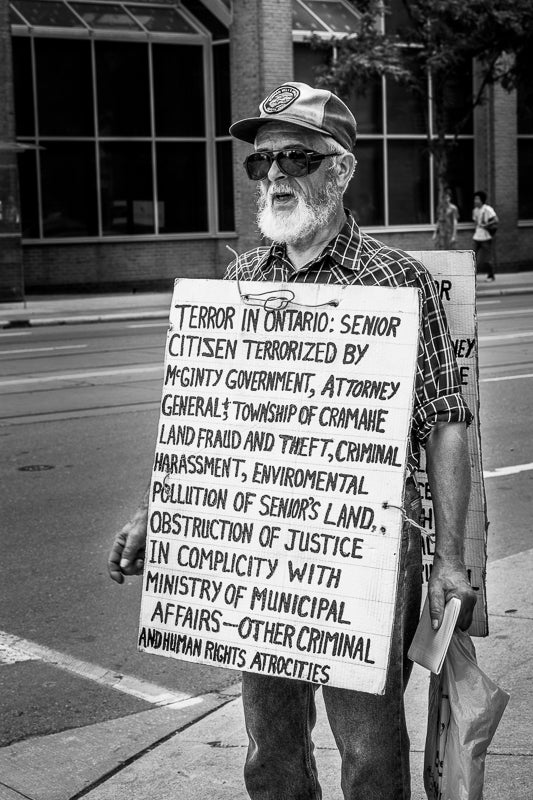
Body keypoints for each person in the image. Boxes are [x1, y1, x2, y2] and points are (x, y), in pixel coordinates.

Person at [108, 82, 477, 800]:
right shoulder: (243, 277)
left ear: (339, 171)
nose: (273, 174)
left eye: (294, 157)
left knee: (368, 747)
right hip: (259, 542)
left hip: (363, 546)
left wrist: (449, 559)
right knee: (268, 743)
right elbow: (208, 416)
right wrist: (163, 514)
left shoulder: (396, 280)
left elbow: (445, 418)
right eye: (259, 162)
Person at [472, 190, 498, 281]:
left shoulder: (488, 209)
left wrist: (486, 225)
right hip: (477, 237)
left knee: (487, 258)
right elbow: (476, 223)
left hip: (486, 237)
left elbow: (496, 220)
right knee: (471, 256)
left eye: (477, 199)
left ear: (482, 200)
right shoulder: (475, 210)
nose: (475, 201)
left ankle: (491, 275)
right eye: (475, 199)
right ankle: (472, 276)